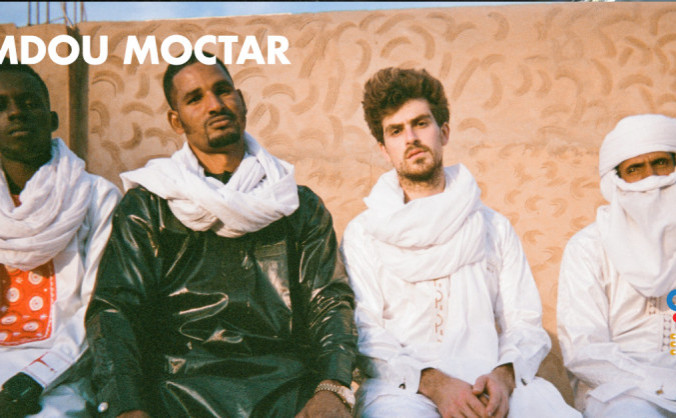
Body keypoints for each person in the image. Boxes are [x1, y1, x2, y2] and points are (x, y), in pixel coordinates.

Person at [84, 52, 357, 418]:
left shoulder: (297, 206)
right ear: (176, 120)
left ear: (241, 101)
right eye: (194, 98)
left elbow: (329, 304)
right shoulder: (149, 205)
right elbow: (115, 311)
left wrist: (332, 388)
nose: (214, 105)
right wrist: (126, 406)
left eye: (222, 91)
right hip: (174, 392)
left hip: (286, 391)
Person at [341, 67, 579, 418]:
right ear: (384, 148)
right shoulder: (364, 234)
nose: (411, 138)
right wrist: (436, 384)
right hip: (401, 391)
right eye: (396, 130)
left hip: (488, 381)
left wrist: (504, 376)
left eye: (421, 123)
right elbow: (366, 334)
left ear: (444, 132)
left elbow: (524, 322)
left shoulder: (492, 226)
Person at [0, 60, 120, 416]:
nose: (16, 113)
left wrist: (33, 379)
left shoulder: (96, 197)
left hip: (61, 375)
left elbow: (100, 310)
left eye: (29, 103)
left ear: (52, 120)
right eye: (1, 106)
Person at [557, 114, 676, 417]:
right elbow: (584, 349)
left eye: (661, 163)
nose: (651, 179)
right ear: (617, 179)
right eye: (635, 169)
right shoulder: (588, 247)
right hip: (620, 390)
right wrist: (661, 385)